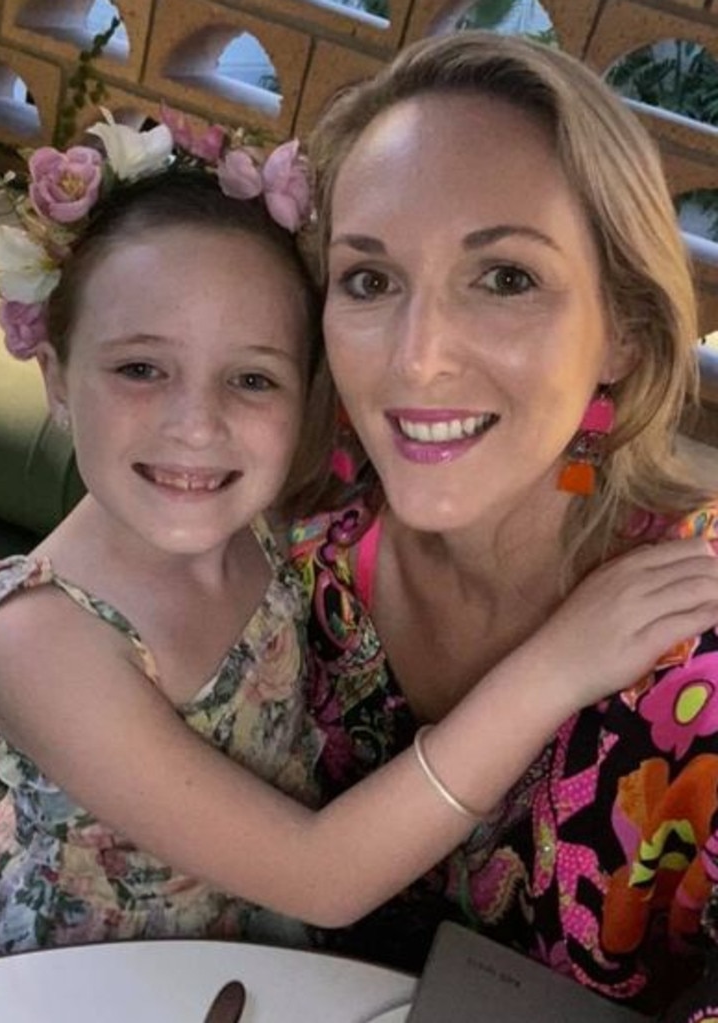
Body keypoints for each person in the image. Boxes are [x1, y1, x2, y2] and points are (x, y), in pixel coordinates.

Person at [0, 108, 713, 969]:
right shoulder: (298, 527)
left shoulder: (277, 509)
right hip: (85, 977)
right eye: (371, 279)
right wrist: (558, 665)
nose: (196, 427)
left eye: (505, 277)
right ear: (55, 377)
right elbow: (319, 875)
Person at [288, 29, 718, 1018]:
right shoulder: (304, 554)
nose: (418, 358)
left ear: (624, 335)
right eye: (368, 279)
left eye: (506, 278)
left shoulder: (699, 658)